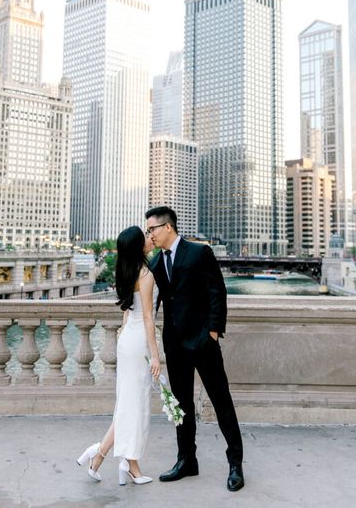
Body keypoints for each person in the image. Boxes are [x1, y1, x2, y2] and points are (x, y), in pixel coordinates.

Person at [145, 206, 244, 492]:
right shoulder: (156, 262)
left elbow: (217, 292)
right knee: (181, 406)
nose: (149, 234)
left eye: (152, 229)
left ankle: (235, 463)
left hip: (203, 342)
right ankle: (187, 460)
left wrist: (212, 332)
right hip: (175, 345)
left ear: (167, 228)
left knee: (221, 401)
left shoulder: (199, 252)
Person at [76, 225, 160, 485]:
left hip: (128, 339)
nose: (149, 238)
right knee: (133, 405)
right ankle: (115, 458)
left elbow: (128, 310)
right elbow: (147, 317)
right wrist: (155, 355)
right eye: (145, 236)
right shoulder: (145, 274)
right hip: (138, 343)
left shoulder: (126, 270)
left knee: (127, 403)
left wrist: (125, 328)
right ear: (138, 245)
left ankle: (107, 457)